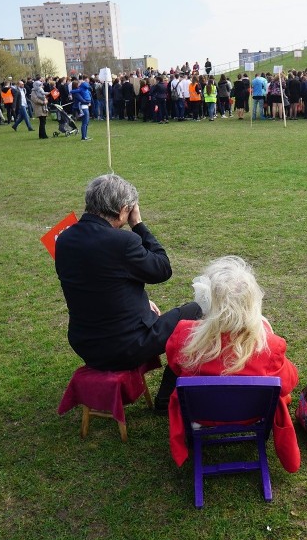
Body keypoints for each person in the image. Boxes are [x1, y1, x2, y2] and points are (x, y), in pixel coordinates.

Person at [55, 174, 203, 410]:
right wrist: (138, 225)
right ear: (124, 209)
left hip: (85, 344)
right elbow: (162, 269)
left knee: (155, 309)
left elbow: (98, 283)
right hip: (123, 347)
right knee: (199, 309)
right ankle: (167, 397)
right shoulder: (122, 242)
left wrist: (141, 302)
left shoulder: (64, 239)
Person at [165, 255, 300, 473]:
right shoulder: (270, 346)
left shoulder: (184, 335)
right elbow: (288, 383)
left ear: (208, 300)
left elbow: (174, 366)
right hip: (251, 416)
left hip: (201, 414)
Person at [71, 75, 92, 140]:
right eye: (78, 83)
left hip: (84, 107)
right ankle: (83, 137)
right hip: (83, 107)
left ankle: (85, 136)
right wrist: (87, 102)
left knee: (86, 122)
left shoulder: (79, 90)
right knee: (85, 122)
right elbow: (81, 100)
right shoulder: (77, 92)